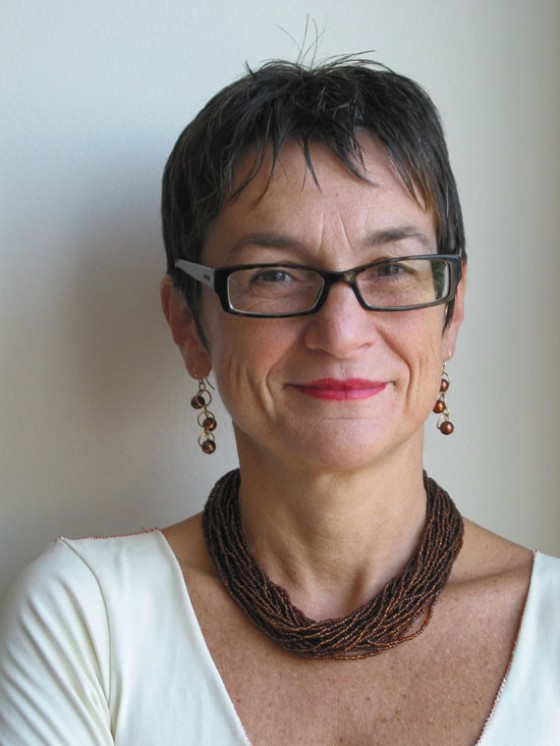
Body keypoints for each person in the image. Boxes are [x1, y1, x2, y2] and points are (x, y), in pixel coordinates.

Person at [1, 58, 559, 746]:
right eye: (274, 275)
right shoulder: (87, 623)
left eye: (390, 268)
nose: (342, 332)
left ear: (452, 309)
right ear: (188, 323)